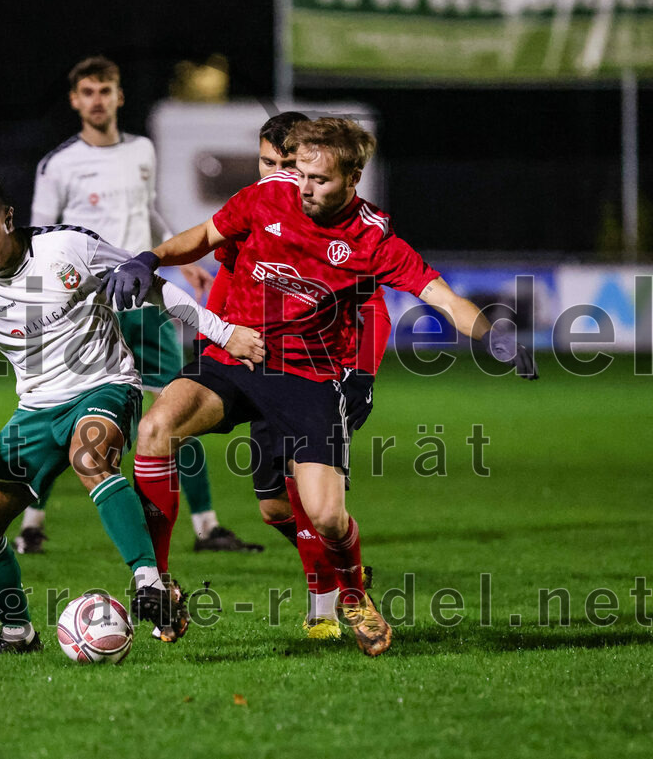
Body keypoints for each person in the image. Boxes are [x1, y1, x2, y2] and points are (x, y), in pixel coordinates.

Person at [103, 117, 538, 657]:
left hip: (309, 377)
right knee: (155, 427)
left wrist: (493, 335)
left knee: (327, 516)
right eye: (300, 172)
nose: (302, 186)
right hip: (235, 355)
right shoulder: (269, 196)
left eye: (319, 179)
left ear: (353, 178)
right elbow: (205, 235)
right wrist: (152, 258)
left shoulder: (373, 239)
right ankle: (160, 581)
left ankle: (353, 596)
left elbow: (442, 298)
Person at [0, 171, 265, 654]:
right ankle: (17, 633)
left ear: (9, 219)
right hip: (36, 410)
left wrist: (224, 333)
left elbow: (153, 286)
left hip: (105, 386)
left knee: (90, 456)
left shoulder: (69, 249)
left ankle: (150, 582)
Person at [18, 54, 262, 555]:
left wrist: (180, 253)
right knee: (61, 409)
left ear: (119, 96)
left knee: (180, 404)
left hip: (146, 301)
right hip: (88, 312)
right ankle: (31, 524)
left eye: (105, 91)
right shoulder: (58, 165)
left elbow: (146, 209)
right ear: (74, 100)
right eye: (87, 92)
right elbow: (37, 237)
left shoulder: (142, 150)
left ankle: (207, 527)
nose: (97, 100)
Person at [202, 111, 390, 641]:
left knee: (314, 501)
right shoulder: (258, 212)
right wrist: (209, 344)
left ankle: (325, 611)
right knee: (272, 507)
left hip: (317, 373)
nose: (280, 175)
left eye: (289, 164)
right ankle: (339, 569)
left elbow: (374, 306)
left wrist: (362, 376)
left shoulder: (343, 228)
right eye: (268, 163)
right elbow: (229, 277)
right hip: (256, 364)